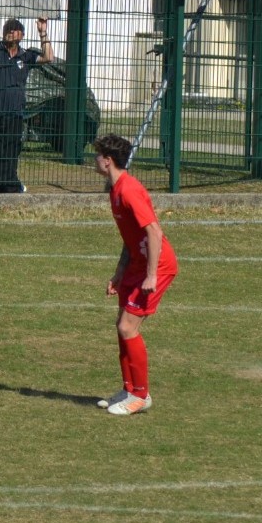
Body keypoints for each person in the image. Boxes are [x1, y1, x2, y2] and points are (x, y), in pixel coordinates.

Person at [93, 134, 179, 417]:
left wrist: (151, 276)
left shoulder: (128, 190)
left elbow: (154, 232)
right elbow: (131, 237)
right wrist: (119, 273)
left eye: (97, 155)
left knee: (128, 328)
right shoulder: (114, 190)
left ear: (108, 161)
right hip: (137, 264)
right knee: (121, 325)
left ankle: (141, 396)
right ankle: (129, 390)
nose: (94, 160)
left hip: (157, 265)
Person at [0, 17, 54, 193]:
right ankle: (15, 185)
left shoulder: (25, 56)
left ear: (22, 35)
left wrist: (43, 32)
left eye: (15, 29)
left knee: (10, 155)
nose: (10, 31)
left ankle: (4, 189)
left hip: (14, 114)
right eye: (7, 29)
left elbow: (49, 57)